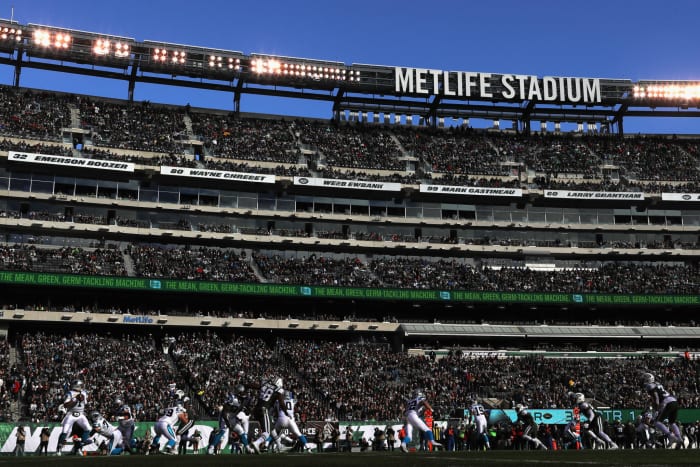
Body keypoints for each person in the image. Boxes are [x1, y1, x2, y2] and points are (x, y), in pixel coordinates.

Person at [641, 372, 683, 447]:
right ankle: (679, 438)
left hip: (666, 402)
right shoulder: (657, 383)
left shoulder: (650, 386)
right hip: (674, 401)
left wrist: (657, 409)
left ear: (648, 380)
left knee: (657, 422)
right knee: (672, 422)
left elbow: (656, 398)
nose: (643, 380)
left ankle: (671, 436)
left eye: (644, 379)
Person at [400, 388, 442, 453]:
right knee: (427, 429)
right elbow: (424, 402)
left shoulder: (410, 401)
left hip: (407, 417)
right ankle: (432, 442)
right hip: (413, 415)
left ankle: (403, 444)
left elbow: (407, 409)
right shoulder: (419, 399)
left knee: (409, 436)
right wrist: (432, 410)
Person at [57, 379, 92, 455]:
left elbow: (86, 402)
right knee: (65, 431)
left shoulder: (84, 393)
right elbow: (66, 405)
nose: (82, 387)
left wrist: (89, 395)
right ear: (77, 386)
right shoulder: (70, 393)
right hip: (71, 414)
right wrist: (76, 399)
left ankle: (82, 443)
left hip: (81, 414)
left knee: (88, 428)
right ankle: (59, 449)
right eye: (81, 385)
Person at [251, 376, 285, 453]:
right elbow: (280, 404)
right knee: (267, 432)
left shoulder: (266, 385)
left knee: (272, 428)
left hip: (258, 409)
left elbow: (257, 386)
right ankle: (257, 443)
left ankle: (279, 445)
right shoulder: (278, 390)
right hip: (265, 410)